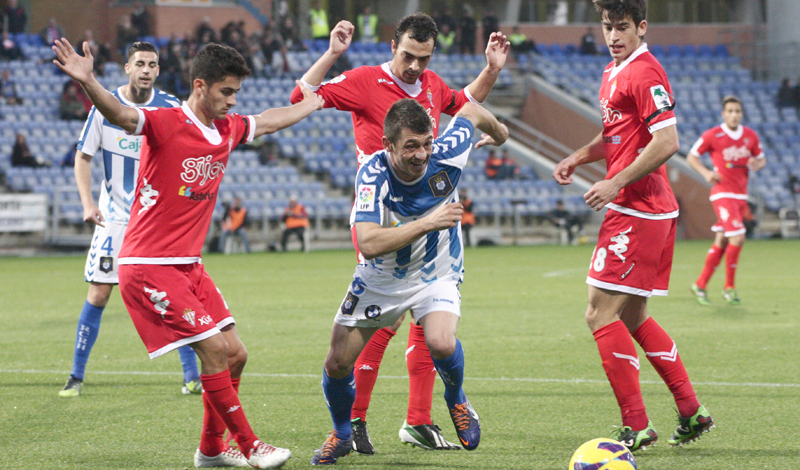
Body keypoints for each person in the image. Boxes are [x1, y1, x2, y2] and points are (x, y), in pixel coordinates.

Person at [52, 36, 323, 468]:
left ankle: (212, 450)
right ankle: (251, 446)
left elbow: (268, 120)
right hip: (147, 264)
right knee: (214, 350)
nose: (233, 102)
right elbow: (121, 113)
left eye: (236, 92)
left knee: (236, 354)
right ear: (200, 85)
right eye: (226, 92)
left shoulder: (227, 128)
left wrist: (314, 103)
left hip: (188, 265)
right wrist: (89, 83)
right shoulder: (165, 122)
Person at [289, 14, 509, 454]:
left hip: (430, 225)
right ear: (393, 46)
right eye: (407, 55)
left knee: (432, 333)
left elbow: (466, 106)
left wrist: (492, 73)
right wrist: (333, 54)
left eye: (422, 59)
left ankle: (423, 415)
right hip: (381, 215)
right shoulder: (365, 81)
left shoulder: (431, 93)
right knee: (367, 338)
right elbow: (302, 97)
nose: (413, 66)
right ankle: (355, 424)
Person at [552, 0, 713, 452]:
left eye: (623, 27)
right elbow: (616, 135)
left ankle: (636, 424)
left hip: (636, 208)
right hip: (644, 208)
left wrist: (615, 182)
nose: (614, 36)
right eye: (608, 27)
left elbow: (668, 142)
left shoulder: (645, 72)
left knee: (598, 313)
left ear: (642, 27)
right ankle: (691, 410)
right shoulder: (613, 71)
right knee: (632, 315)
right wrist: (577, 157)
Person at [58, 41, 204, 399]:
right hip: (115, 220)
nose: (146, 70)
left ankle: (191, 377)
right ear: (127, 67)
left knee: (172, 296)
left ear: (157, 70)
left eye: (152, 64)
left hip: (156, 222)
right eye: (139, 63)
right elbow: (83, 157)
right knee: (99, 293)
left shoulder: (170, 107)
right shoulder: (106, 107)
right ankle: (75, 376)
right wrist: (88, 202)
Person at [687, 95, 765, 306]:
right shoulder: (713, 135)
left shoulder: (750, 136)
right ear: (723, 114)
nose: (734, 115)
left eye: (737, 111)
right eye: (730, 111)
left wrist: (758, 163)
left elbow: (761, 157)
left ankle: (700, 284)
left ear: (741, 113)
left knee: (722, 240)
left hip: (741, 195)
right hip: (723, 194)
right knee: (738, 237)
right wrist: (705, 173)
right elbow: (692, 156)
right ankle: (729, 288)